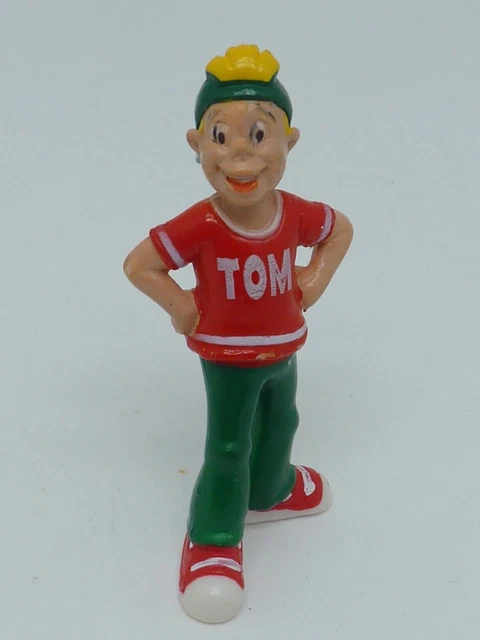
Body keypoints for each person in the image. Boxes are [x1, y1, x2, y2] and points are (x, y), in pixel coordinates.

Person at [123, 44, 353, 624]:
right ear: (197, 145)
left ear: (289, 142)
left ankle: (269, 490)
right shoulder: (200, 223)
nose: (241, 155)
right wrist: (182, 308)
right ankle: (213, 539)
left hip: (284, 347)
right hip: (227, 358)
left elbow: (340, 230)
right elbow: (140, 265)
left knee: (282, 420)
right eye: (221, 137)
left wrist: (313, 281)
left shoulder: (294, 212)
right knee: (228, 445)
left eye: (260, 133)